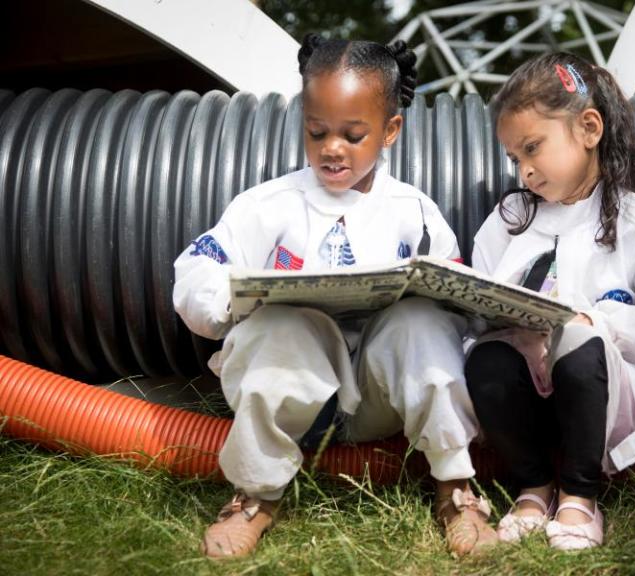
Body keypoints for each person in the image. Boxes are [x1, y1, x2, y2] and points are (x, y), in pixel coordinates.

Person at [173, 35, 496, 559]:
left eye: (353, 134)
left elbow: (458, 300)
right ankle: (256, 494)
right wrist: (232, 299)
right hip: (299, 399)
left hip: (378, 401)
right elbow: (195, 273)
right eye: (317, 131)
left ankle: (454, 489)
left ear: (390, 130)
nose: (332, 148)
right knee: (276, 325)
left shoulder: (414, 211)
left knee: (421, 319)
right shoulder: (267, 205)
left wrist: (452, 302)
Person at [465, 52, 635, 551]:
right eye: (514, 159)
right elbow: (479, 300)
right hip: (527, 403)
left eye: (533, 148)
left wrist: (604, 322)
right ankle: (532, 486)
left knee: (581, 339)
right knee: (488, 356)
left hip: (609, 405)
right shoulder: (509, 221)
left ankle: (579, 496)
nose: (525, 172)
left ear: (589, 128)